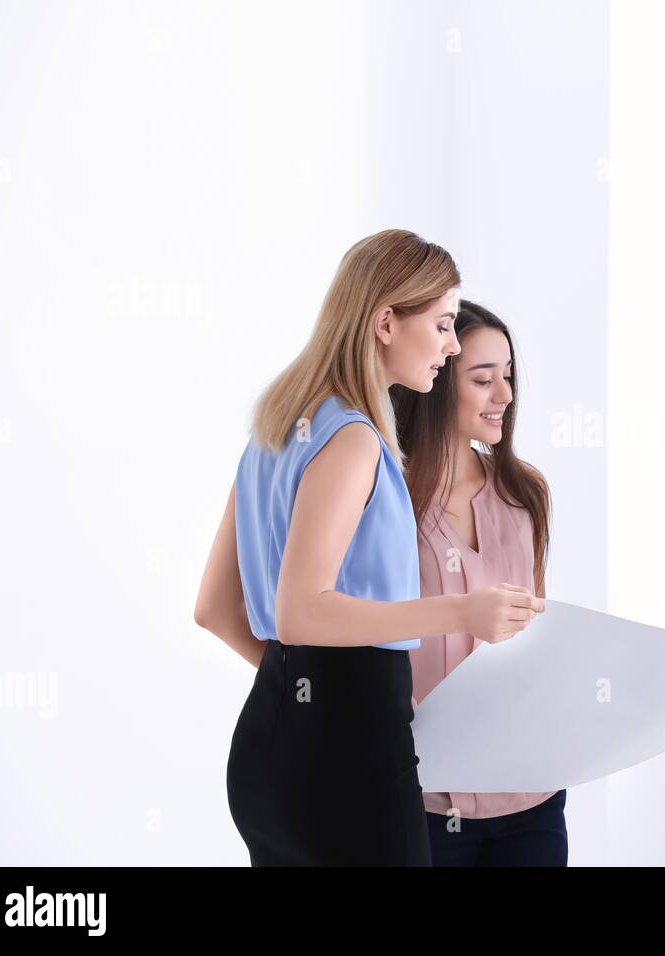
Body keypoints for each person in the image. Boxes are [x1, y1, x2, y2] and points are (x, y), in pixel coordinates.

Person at [193, 230, 544, 866]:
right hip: (349, 759)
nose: (452, 344)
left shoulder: (275, 426)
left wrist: (305, 692)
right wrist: (461, 613)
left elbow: (215, 609)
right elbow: (304, 609)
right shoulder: (354, 440)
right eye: (441, 325)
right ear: (386, 323)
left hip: (270, 743)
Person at [393, 300, 567, 866]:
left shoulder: (524, 493)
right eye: (483, 379)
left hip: (531, 797)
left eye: (509, 376)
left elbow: (540, 642)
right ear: (439, 380)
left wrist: (653, 708)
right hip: (423, 799)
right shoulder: (385, 497)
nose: (505, 396)